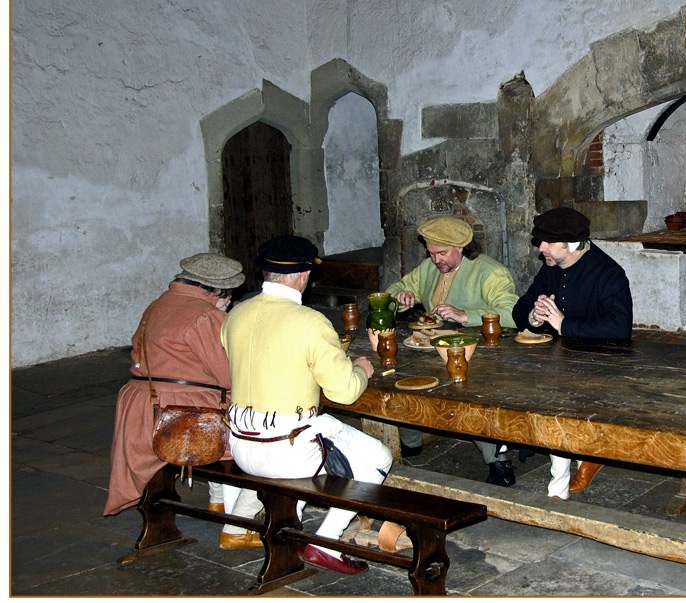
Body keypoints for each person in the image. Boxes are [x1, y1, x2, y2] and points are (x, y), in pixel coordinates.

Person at [221, 234, 392, 576]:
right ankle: (325, 542)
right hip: (288, 452)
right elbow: (344, 392)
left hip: (241, 444)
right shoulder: (311, 323)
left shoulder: (236, 315)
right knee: (378, 456)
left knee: (316, 437)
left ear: (265, 274)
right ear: (303, 276)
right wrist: (360, 368)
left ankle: (241, 525)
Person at [104, 253, 261, 549]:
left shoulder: (157, 305)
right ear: (214, 292)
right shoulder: (205, 316)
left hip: (141, 412)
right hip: (183, 420)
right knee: (259, 435)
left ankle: (217, 500)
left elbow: (139, 352)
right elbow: (228, 376)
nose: (228, 301)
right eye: (227, 296)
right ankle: (238, 524)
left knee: (222, 410)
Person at [384, 216, 520, 486]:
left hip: (479, 353)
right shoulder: (428, 267)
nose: (436, 260)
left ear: (460, 247)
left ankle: (497, 458)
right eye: (431, 253)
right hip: (433, 347)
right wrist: (400, 299)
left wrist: (464, 315)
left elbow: (513, 314)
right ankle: (411, 440)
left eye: (442, 253)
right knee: (399, 373)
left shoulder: (490, 272)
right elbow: (393, 292)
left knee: (470, 394)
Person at [512, 207, 633, 500]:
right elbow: (520, 308)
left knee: (558, 398)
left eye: (547, 243)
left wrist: (564, 324)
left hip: (601, 366)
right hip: (559, 362)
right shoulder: (552, 267)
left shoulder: (608, 273)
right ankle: (582, 455)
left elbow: (619, 328)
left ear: (572, 244)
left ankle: (558, 483)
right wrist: (535, 316)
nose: (540, 249)